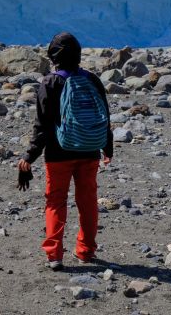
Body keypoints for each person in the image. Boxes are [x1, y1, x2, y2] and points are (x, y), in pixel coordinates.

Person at [17, 32, 113, 271]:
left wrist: (29, 156)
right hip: (89, 149)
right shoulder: (92, 79)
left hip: (58, 154)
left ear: (53, 56)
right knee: (88, 201)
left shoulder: (50, 83)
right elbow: (104, 116)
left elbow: (43, 125)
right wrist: (106, 147)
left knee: (55, 202)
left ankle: (54, 255)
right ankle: (86, 251)